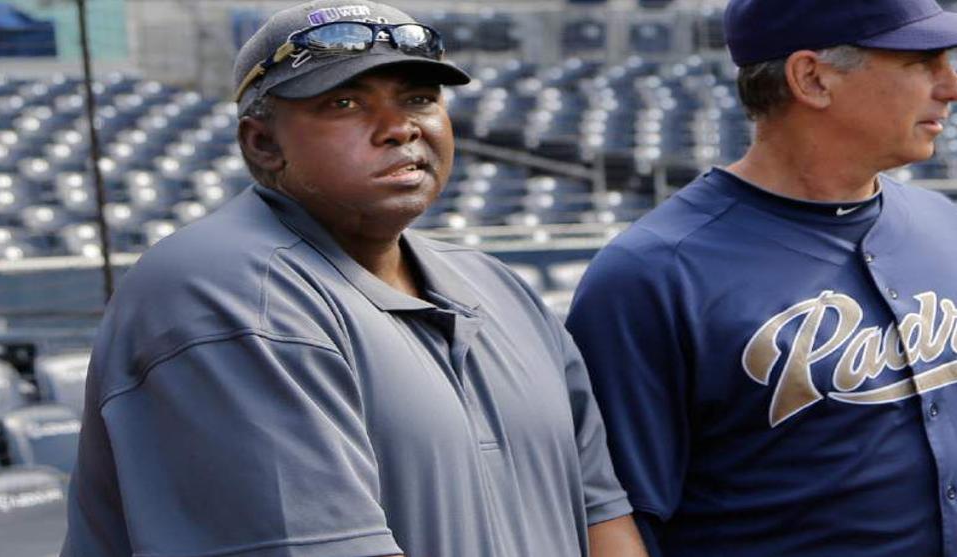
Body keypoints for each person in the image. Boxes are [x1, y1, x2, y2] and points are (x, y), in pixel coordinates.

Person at [61, 1, 649, 556]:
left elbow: (601, 515)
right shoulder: (222, 291)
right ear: (263, 144)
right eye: (345, 103)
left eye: (419, 98)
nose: (399, 127)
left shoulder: (501, 289)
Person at [566, 0, 957, 556]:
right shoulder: (651, 275)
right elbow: (612, 517)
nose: (950, 86)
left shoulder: (944, 222)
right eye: (921, 62)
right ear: (812, 78)